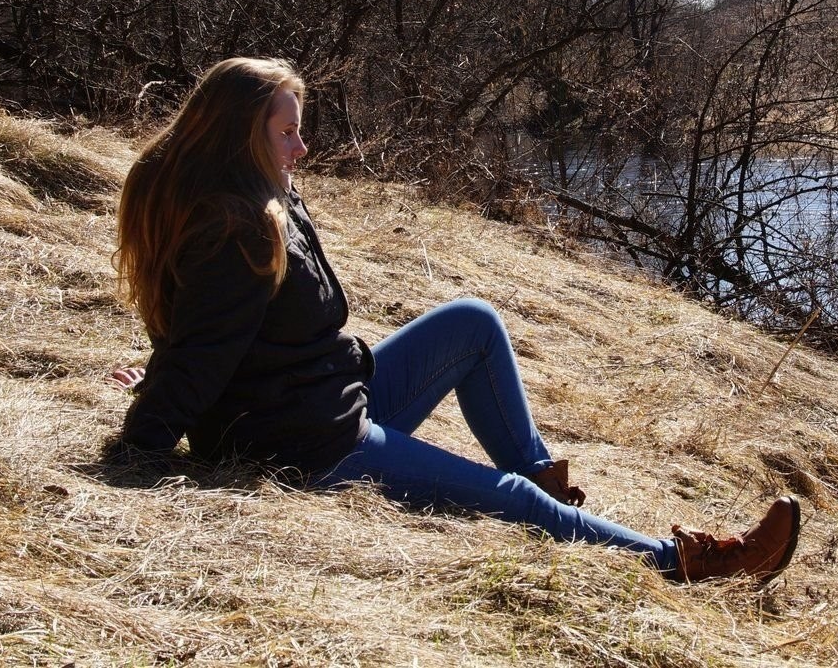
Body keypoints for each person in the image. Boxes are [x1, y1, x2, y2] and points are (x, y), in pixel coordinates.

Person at [110, 56, 801, 584]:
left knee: (473, 324)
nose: (302, 146)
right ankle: (688, 564)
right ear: (240, 138)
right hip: (308, 446)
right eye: (287, 132)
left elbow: (212, 332)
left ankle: (548, 490)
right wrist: (141, 442)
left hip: (325, 399)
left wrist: (165, 368)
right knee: (512, 502)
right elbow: (206, 346)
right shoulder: (238, 230)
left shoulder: (263, 199)